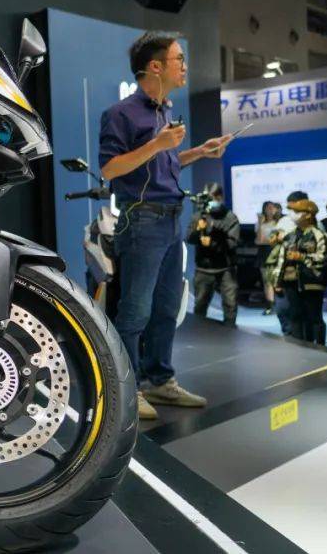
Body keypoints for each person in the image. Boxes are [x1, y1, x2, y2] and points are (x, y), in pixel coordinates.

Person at [99, 31, 233, 420]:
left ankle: (159, 380)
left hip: (172, 219)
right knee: (135, 311)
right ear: (155, 67)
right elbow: (111, 168)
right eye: (179, 59)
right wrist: (158, 145)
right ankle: (127, 389)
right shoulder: (121, 114)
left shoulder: (163, 111)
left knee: (167, 308)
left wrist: (198, 152)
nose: (185, 67)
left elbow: (162, 164)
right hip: (142, 220)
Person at [273, 199, 327, 344]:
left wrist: (302, 257)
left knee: (314, 317)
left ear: (308, 214)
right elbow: (282, 259)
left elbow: (324, 258)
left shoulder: (320, 235)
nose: (293, 214)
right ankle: (298, 346)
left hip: (312, 282)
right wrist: (277, 280)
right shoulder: (291, 235)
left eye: (297, 211)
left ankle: (319, 347)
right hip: (292, 282)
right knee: (295, 315)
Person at [188, 184, 240, 326]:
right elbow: (189, 238)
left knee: (230, 304)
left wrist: (213, 242)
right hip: (203, 268)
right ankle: (199, 332)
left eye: (213, 198)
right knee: (200, 305)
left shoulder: (230, 217)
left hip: (225, 268)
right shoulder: (199, 216)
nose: (211, 201)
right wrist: (198, 230)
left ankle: (230, 331)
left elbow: (233, 242)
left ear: (220, 197)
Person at [271, 191, 311, 334]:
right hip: (286, 273)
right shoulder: (284, 221)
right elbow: (274, 242)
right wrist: (275, 238)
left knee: (305, 313)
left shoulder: (314, 225)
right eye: (289, 207)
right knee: (284, 310)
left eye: (294, 207)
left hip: (306, 275)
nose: (291, 211)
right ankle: (290, 338)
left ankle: (307, 341)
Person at [256, 201, 281, 314]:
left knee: (277, 280)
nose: (270, 210)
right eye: (268, 208)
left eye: (272, 208)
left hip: (277, 253)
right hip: (264, 253)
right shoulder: (260, 223)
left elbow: (278, 240)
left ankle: (280, 304)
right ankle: (270, 305)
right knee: (267, 281)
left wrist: (269, 241)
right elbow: (259, 240)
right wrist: (260, 223)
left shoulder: (279, 223)